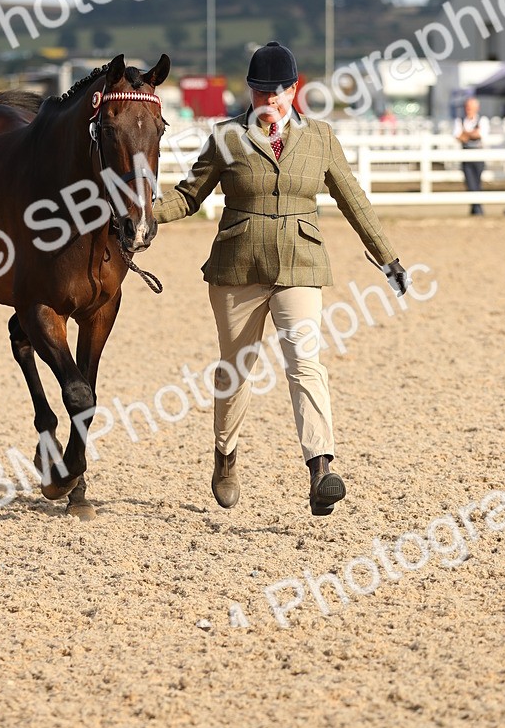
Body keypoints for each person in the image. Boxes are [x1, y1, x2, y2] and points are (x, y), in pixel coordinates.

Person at [154, 41, 410, 516]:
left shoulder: (320, 139)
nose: (268, 103)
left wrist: (387, 257)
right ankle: (226, 456)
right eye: (259, 93)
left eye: (277, 93)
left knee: (305, 362)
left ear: (295, 90)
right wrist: (146, 217)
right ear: (248, 92)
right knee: (236, 370)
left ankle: (321, 469)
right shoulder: (227, 137)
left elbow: (353, 200)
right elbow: (189, 196)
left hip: (299, 264)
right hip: (237, 269)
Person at [453, 97, 490, 216]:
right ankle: (477, 209)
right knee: (470, 181)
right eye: (467, 107)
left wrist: (466, 134)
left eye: (471, 107)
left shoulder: (482, 120)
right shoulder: (460, 120)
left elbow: (480, 134)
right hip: (466, 154)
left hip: (478, 155)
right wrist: (472, 134)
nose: (468, 109)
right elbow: (458, 136)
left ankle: (476, 208)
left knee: (477, 181)